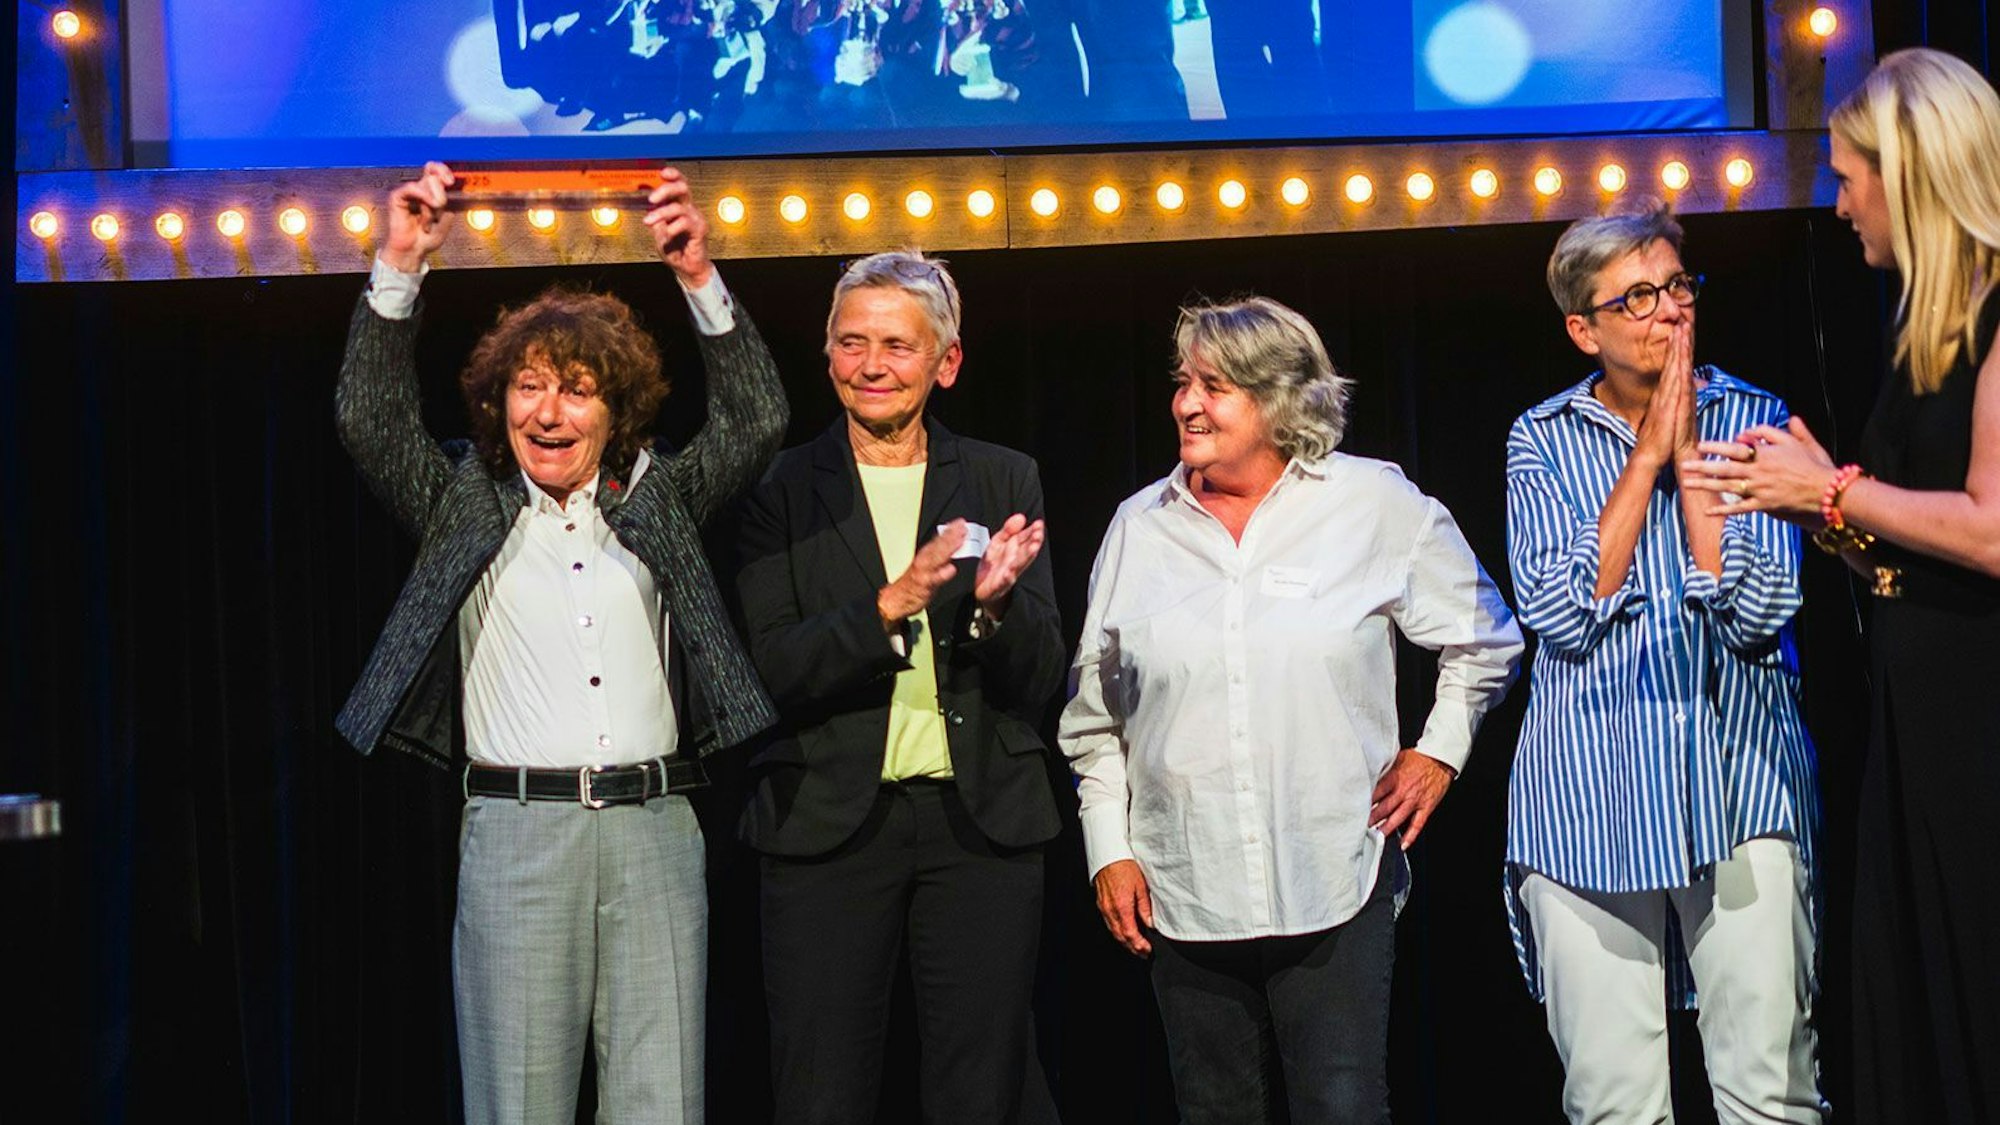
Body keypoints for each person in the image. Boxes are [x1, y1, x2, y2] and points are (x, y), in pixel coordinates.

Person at [333, 161, 787, 1124]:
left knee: (662, 1104)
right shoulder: (463, 501)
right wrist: (400, 266)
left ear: (615, 410)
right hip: (516, 835)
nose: (549, 412)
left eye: (577, 391)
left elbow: (758, 420)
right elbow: (367, 421)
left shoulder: (655, 497)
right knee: (518, 1105)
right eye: (527, 388)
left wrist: (697, 274)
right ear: (498, 403)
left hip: (656, 832)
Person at [1060, 296, 1522, 1124]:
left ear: (1280, 400)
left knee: (1342, 1108)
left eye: (1216, 386)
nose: (1188, 403)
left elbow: (1484, 637)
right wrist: (1109, 852)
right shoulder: (1139, 527)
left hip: (1333, 875)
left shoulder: (1371, 502)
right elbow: (1095, 720)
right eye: (1184, 382)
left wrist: (1438, 752)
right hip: (1183, 884)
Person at [1679, 48, 2000, 1125]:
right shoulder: (1923, 337)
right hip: (1923, 720)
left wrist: (1838, 489)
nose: (1835, 199)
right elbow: (1913, 554)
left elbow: (1994, 533)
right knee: (1924, 980)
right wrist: (1813, 508)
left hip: (1980, 729)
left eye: (1848, 173)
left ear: (1908, 174)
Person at [1504, 203, 1822, 1124]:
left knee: (1770, 1090)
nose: (1670, 312)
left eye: (1678, 285)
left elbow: (1762, 608)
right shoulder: (1542, 439)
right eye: (1638, 296)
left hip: (1740, 788)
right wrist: (1649, 456)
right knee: (1613, 1102)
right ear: (1583, 329)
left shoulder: (1754, 418)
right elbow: (1561, 614)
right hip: (1584, 805)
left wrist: (1692, 460)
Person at [732, 251, 1065, 1125]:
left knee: (982, 1084)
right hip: (827, 824)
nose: (871, 364)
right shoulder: (779, 487)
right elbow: (767, 670)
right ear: (827, 354)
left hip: (979, 822)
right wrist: (894, 602)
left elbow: (1041, 678)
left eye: (896, 345)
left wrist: (993, 608)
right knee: (821, 1088)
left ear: (946, 362)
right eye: (851, 342)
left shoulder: (1003, 476)